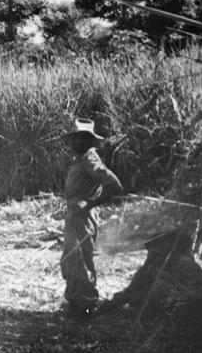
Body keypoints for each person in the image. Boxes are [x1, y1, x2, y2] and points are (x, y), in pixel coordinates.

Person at [99, 228, 202, 339]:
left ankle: (177, 327)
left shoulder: (183, 264)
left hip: (196, 317)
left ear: (167, 246)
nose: (150, 252)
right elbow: (132, 289)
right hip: (179, 307)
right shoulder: (154, 264)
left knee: (159, 286)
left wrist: (162, 277)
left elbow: (201, 296)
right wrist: (114, 302)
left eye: (155, 247)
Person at [60, 118, 123, 318]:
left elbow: (113, 184)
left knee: (82, 260)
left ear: (89, 141)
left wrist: (90, 204)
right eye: (75, 137)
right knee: (71, 260)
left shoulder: (90, 158)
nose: (77, 142)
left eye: (83, 138)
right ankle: (74, 305)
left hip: (83, 217)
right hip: (74, 216)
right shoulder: (80, 160)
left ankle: (87, 309)